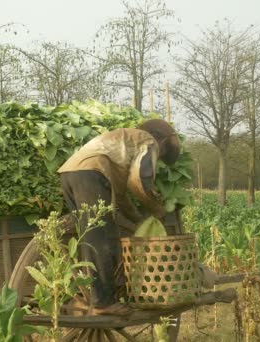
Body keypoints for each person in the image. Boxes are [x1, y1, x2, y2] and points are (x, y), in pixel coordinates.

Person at [57, 119, 181, 315]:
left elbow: (121, 196)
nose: (159, 156)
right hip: (90, 172)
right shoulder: (149, 141)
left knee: (88, 237)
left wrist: (136, 218)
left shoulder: (124, 146)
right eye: (163, 154)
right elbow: (139, 180)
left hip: (69, 173)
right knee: (101, 238)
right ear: (163, 141)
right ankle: (103, 303)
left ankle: (90, 294)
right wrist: (155, 207)